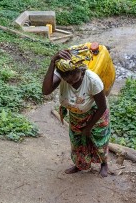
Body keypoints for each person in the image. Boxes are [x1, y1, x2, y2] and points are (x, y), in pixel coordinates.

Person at [42, 49, 112, 177]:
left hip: (96, 114)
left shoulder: (92, 80)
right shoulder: (63, 75)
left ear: (81, 70)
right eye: (67, 80)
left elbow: (102, 107)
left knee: (100, 141)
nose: (70, 82)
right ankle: (80, 165)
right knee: (77, 143)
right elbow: (46, 91)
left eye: (74, 79)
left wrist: (89, 127)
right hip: (76, 116)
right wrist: (52, 62)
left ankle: (104, 164)